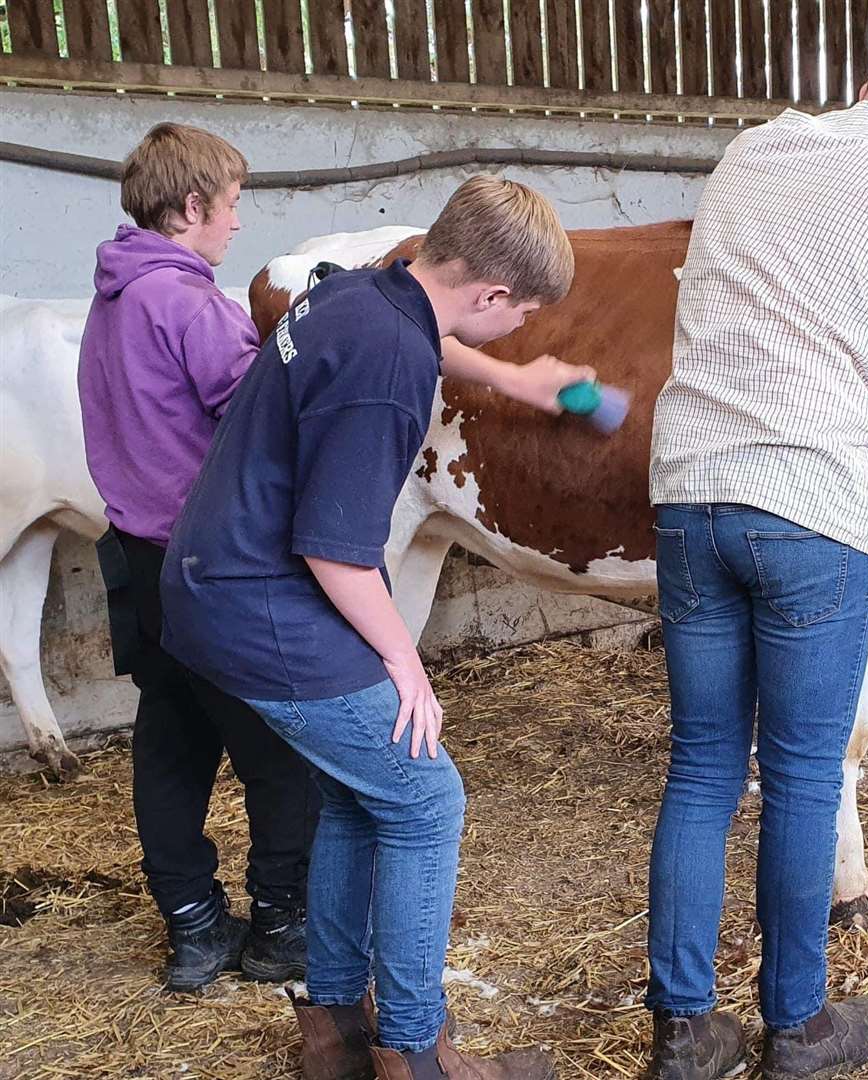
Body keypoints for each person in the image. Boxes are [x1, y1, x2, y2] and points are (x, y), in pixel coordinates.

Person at [159, 176, 590, 1079]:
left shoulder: (366, 290)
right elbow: (336, 551)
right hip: (261, 601)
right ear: (492, 295)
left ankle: (338, 1033)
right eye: (524, 318)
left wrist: (510, 375)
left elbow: (433, 337)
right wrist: (406, 661)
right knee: (429, 798)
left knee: (367, 792)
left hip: (213, 577)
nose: (521, 331)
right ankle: (414, 1051)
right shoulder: (387, 371)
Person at [646, 10, 868, 1080]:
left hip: (689, 488)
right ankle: (797, 1027)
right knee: (802, 777)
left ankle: (684, 1030)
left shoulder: (752, 149)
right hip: (810, 501)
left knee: (703, 766)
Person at [77, 122, 316, 993]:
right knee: (280, 747)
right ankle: (283, 924)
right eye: (231, 206)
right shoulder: (187, 304)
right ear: (190, 208)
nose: (237, 226)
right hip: (212, 564)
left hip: (138, 559)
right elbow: (252, 417)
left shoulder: (110, 299)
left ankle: (193, 925)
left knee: (171, 743)